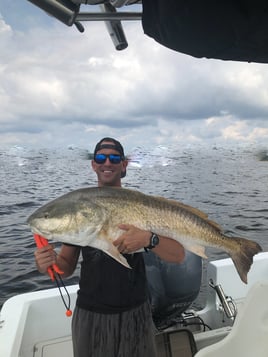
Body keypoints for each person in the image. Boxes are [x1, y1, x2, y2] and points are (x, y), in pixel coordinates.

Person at [34, 137, 185, 357]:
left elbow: (178, 255)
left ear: (124, 165)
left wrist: (149, 239)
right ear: (93, 164)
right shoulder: (80, 210)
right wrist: (49, 262)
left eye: (114, 157)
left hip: (136, 310)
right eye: (101, 157)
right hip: (91, 312)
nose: (107, 162)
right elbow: (65, 267)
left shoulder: (141, 206)